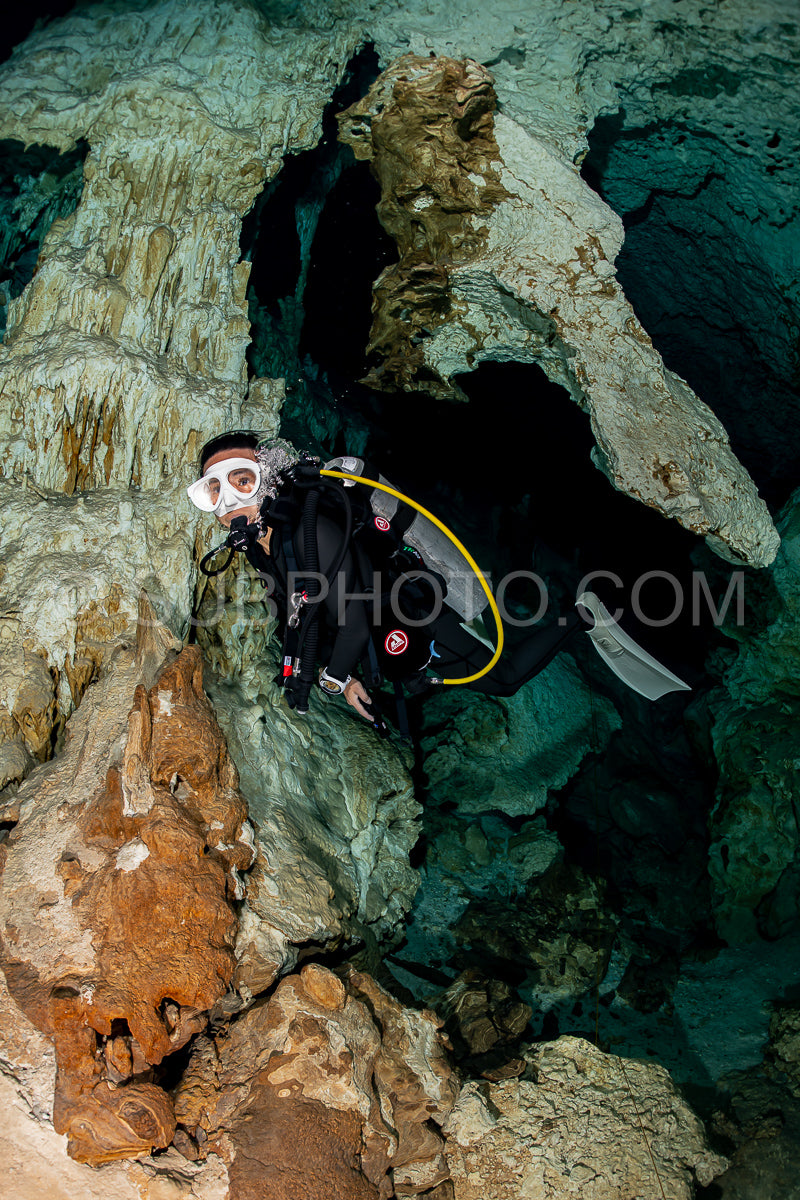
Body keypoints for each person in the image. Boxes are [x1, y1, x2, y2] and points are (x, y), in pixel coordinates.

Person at [187, 431, 689, 723]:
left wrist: (334, 679)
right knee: (418, 675)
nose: (229, 502)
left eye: (241, 481)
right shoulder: (261, 545)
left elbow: (353, 620)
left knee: (504, 679)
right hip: (384, 621)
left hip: (409, 605)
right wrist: (331, 673)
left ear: (270, 478)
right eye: (214, 490)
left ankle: (581, 614)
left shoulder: (311, 526)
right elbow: (298, 612)